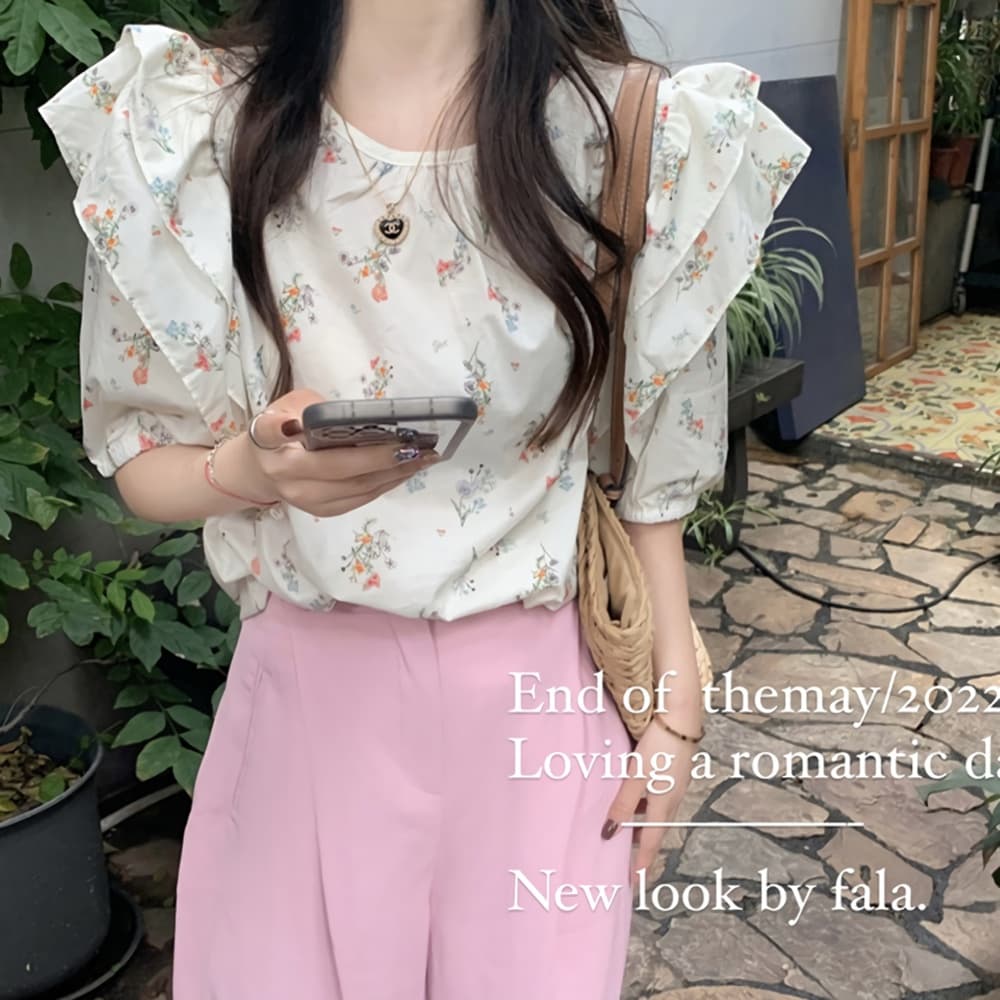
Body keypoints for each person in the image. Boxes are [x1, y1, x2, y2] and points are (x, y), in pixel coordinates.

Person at [41, 2, 807, 997]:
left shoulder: (633, 134)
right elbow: (144, 456)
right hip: (306, 718)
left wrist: (674, 718)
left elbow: (651, 482)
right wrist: (251, 471)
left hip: (538, 712)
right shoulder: (189, 125)